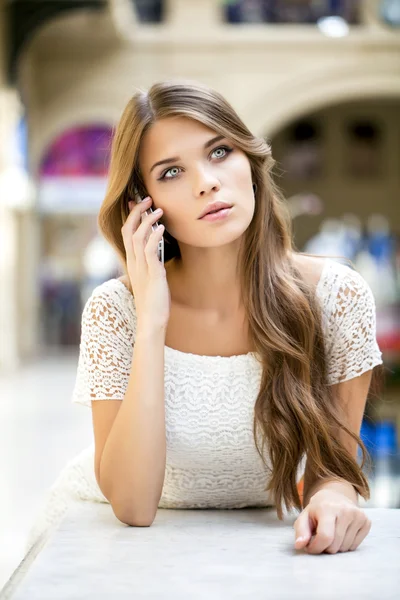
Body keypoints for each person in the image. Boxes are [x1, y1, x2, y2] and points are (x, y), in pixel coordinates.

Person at [26, 80, 383, 556]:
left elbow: (332, 472)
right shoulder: (116, 310)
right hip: (107, 544)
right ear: (142, 203)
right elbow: (133, 506)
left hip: (259, 551)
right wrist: (152, 319)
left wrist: (334, 501)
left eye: (219, 152)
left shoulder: (336, 297)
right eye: (171, 171)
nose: (206, 182)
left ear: (250, 163)